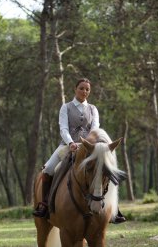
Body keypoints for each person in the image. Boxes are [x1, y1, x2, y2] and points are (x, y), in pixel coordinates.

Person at [33, 78, 126, 224]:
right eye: (81, 88)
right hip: (67, 146)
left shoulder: (93, 109)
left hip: (90, 148)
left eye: (87, 89)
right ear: (75, 89)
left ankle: (114, 209)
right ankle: (44, 204)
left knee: (107, 169)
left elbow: (95, 128)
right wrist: (70, 142)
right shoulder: (66, 107)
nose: (84, 91)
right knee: (48, 169)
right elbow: (63, 128)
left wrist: (90, 144)